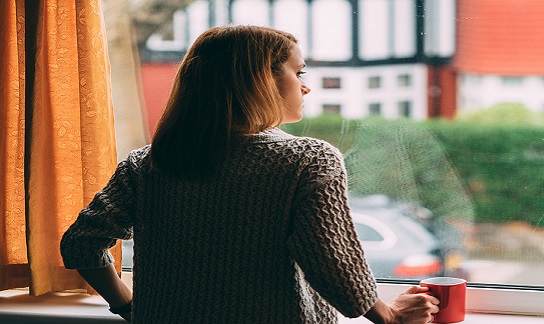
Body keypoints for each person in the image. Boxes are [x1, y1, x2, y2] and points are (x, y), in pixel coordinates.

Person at [60, 25, 440, 323]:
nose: (306, 86)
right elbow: (332, 261)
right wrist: (387, 315)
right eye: (297, 71)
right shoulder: (306, 159)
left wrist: (129, 307)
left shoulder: (148, 163)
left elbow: (81, 242)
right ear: (260, 79)